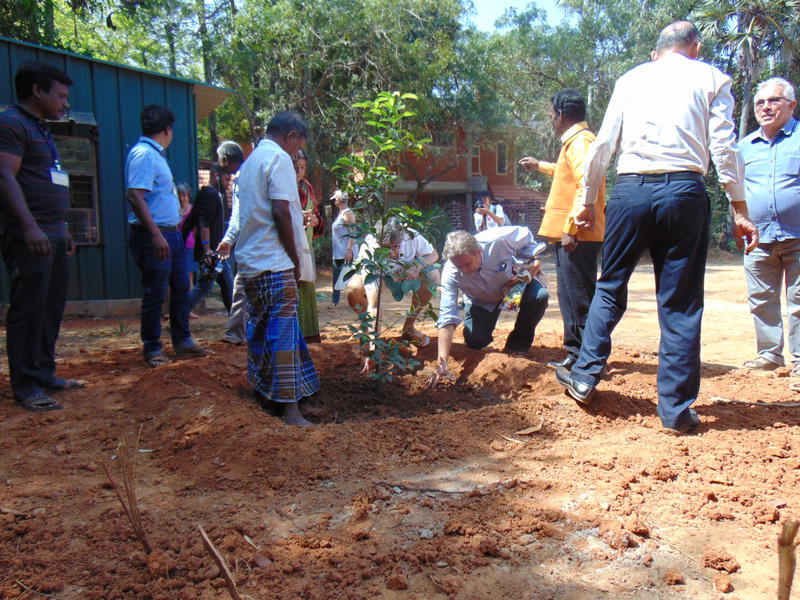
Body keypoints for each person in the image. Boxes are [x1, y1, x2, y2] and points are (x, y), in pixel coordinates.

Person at [553, 21, 758, 434]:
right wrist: (739, 208)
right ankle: (676, 412)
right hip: (684, 190)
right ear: (694, 47)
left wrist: (589, 203)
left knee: (610, 285)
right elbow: (723, 146)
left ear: (656, 52)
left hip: (630, 191)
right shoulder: (713, 77)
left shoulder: (632, 78)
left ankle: (585, 375)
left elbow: (604, 144)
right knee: (679, 301)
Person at [0, 61, 81, 412]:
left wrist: (62, 228)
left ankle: (44, 372)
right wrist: (30, 226)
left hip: (53, 233)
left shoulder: (41, 129)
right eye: (60, 95)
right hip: (29, 235)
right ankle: (27, 385)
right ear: (37, 90)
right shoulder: (11, 124)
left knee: (50, 308)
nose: (65, 103)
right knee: (29, 310)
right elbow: (4, 176)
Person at [234, 110, 318, 426]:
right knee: (282, 334)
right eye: (298, 147)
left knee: (260, 330)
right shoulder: (279, 159)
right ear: (291, 135)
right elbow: (282, 211)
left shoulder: (252, 160)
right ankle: (291, 410)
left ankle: (266, 394)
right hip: (275, 262)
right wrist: (295, 259)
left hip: (252, 263)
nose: (297, 154)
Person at [519, 89, 605, 370]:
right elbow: (570, 174)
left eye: (551, 113)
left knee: (578, 297)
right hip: (574, 234)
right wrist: (540, 166)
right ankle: (578, 354)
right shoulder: (578, 142)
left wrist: (570, 228)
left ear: (562, 115)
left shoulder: (581, 142)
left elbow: (585, 185)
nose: (550, 118)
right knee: (571, 295)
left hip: (576, 235)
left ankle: (583, 357)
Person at [125, 104, 207, 367]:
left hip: (173, 235)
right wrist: (156, 235)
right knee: (156, 292)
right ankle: (152, 348)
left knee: (181, 288)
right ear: (167, 129)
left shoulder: (156, 155)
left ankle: (182, 340)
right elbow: (135, 196)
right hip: (155, 236)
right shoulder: (143, 155)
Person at [427, 228, 549, 386]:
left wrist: (532, 264)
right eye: (459, 266)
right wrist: (441, 362)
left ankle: (517, 345)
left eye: (467, 263)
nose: (464, 270)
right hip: (481, 299)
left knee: (538, 297)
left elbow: (528, 240)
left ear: (479, 252)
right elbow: (447, 317)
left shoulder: (499, 241)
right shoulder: (450, 273)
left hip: (513, 285)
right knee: (476, 341)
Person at [738, 77, 800, 374]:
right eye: (760, 102)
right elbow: (735, 192)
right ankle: (769, 355)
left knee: (799, 301)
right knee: (761, 300)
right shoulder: (744, 147)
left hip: (798, 235)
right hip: (758, 238)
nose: (765, 107)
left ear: (791, 105)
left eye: (773, 101)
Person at [346, 217, 440, 350]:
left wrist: (418, 266)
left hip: (408, 275)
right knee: (353, 289)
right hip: (382, 276)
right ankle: (368, 330)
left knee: (432, 275)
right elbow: (374, 306)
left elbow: (433, 255)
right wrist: (374, 347)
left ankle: (409, 327)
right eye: (385, 248)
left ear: (402, 239)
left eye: (395, 246)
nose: (391, 252)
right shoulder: (370, 247)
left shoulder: (410, 235)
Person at [184, 141, 244, 315]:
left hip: (215, 251)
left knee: (222, 285)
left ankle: (235, 321)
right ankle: (179, 315)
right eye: (226, 179)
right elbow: (203, 224)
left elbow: (191, 221)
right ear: (217, 176)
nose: (228, 183)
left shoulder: (213, 194)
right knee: (211, 285)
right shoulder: (210, 194)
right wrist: (208, 250)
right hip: (213, 253)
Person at [294, 149, 321, 342]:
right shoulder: (283, 188)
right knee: (294, 288)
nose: (299, 171)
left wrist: (314, 220)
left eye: (302, 167)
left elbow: (317, 215)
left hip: (307, 244)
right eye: (296, 167)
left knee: (307, 287)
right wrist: (297, 217)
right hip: (290, 247)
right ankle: (295, 335)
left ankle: (309, 334)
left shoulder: (307, 188)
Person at [330, 189, 356, 307]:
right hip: (338, 252)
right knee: (337, 277)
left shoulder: (347, 213)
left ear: (339, 201)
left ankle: (354, 301)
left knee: (350, 278)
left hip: (345, 252)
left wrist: (349, 249)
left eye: (335, 199)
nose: (334, 201)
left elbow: (353, 232)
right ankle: (335, 301)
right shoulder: (341, 213)